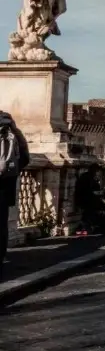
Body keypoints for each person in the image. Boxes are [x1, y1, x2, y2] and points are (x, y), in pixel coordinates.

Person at [0, 112, 30, 280]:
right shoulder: (11, 129)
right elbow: (25, 157)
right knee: (1, 223)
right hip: (5, 185)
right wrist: (12, 173)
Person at [75, 164, 105, 234]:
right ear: (96, 171)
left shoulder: (88, 176)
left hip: (90, 200)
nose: (100, 173)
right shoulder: (88, 178)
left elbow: (96, 194)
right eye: (99, 171)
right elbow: (93, 193)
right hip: (88, 201)